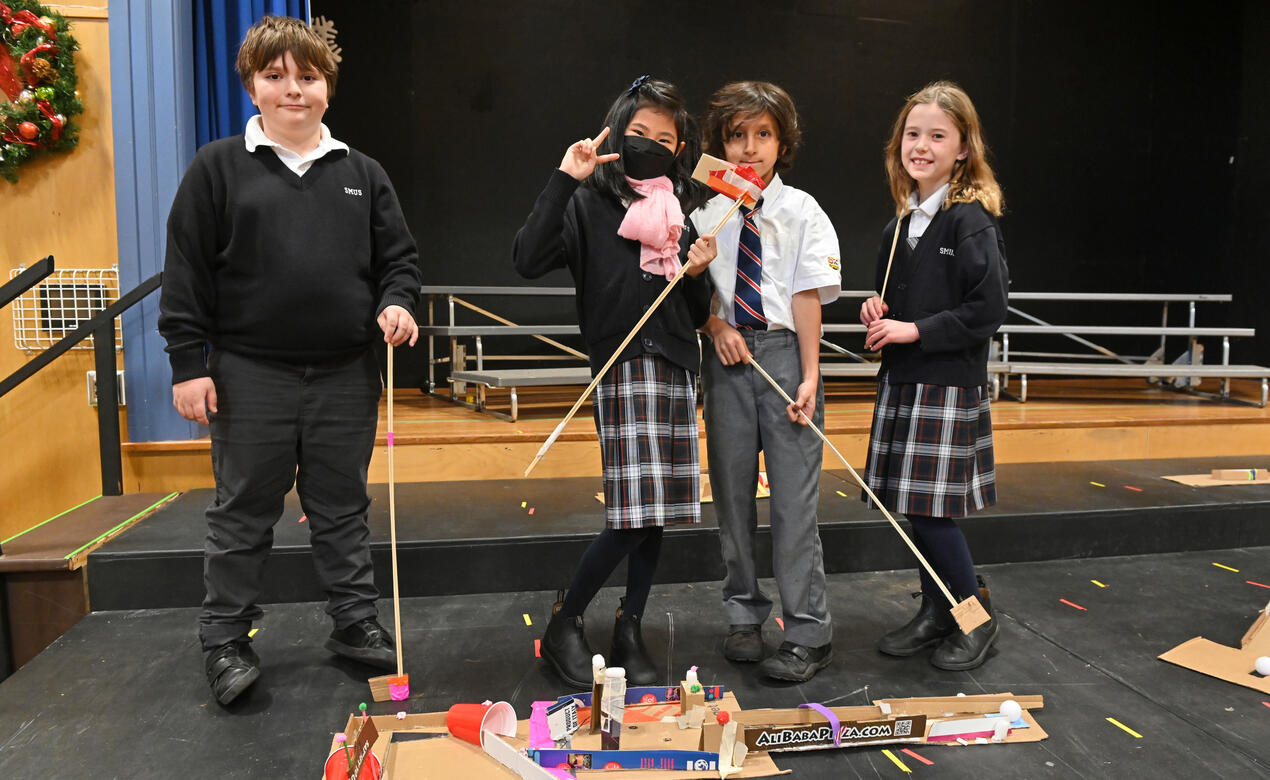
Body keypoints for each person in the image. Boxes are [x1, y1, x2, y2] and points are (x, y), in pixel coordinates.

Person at [158, 15, 422, 706]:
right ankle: (224, 638)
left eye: (307, 76)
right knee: (243, 510)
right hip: (249, 373)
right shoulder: (216, 166)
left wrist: (398, 302)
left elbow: (399, 261)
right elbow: (185, 270)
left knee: (341, 507)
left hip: (345, 374)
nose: (292, 89)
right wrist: (189, 363)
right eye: (275, 76)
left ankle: (354, 622)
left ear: (327, 87)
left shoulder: (364, 173)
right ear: (252, 84)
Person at [512, 76, 717, 689]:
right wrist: (563, 178)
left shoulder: (681, 211)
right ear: (617, 133)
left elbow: (693, 304)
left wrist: (699, 271)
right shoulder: (589, 203)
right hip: (624, 367)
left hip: (679, 366)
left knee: (657, 514)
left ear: (680, 149)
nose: (651, 145)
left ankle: (631, 624)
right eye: (639, 134)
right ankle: (565, 620)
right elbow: (526, 258)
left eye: (665, 138)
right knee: (631, 513)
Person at [691, 81, 841, 682]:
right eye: (736, 136)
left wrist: (810, 375)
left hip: (784, 357)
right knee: (731, 497)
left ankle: (808, 630)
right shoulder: (704, 211)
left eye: (762, 134)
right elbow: (685, 288)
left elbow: (806, 296)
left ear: (782, 141)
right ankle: (743, 615)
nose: (749, 148)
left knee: (793, 504)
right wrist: (713, 323)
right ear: (720, 144)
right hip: (726, 362)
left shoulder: (803, 210)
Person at [860, 81, 1008, 670]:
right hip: (905, 380)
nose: (921, 146)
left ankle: (974, 616)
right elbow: (897, 305)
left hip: (945, 383)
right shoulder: (901, 226)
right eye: (913, 134)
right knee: (909, 505)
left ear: (963, 148)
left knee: (930, 512)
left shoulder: (968, 219)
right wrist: (878, 312)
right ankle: (937, 609)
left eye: (937, 136)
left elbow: (987, 309)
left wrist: (914, 331)